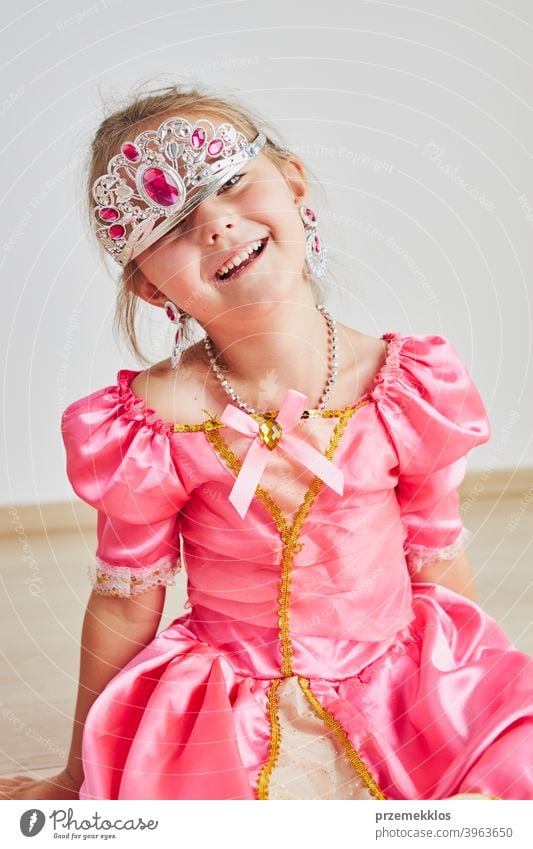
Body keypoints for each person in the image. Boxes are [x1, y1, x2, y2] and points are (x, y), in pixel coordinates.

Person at [2, 81, 532, 802]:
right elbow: (126, 600)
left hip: (393, 680)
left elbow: (437, 557)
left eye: (229, 183)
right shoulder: (155, 420)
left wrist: (471, 709)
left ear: (293, 183)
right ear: (152, 288)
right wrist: (74, 776)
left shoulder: (402, 387)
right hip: (229, 705)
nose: (215, 224)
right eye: (172, 223)